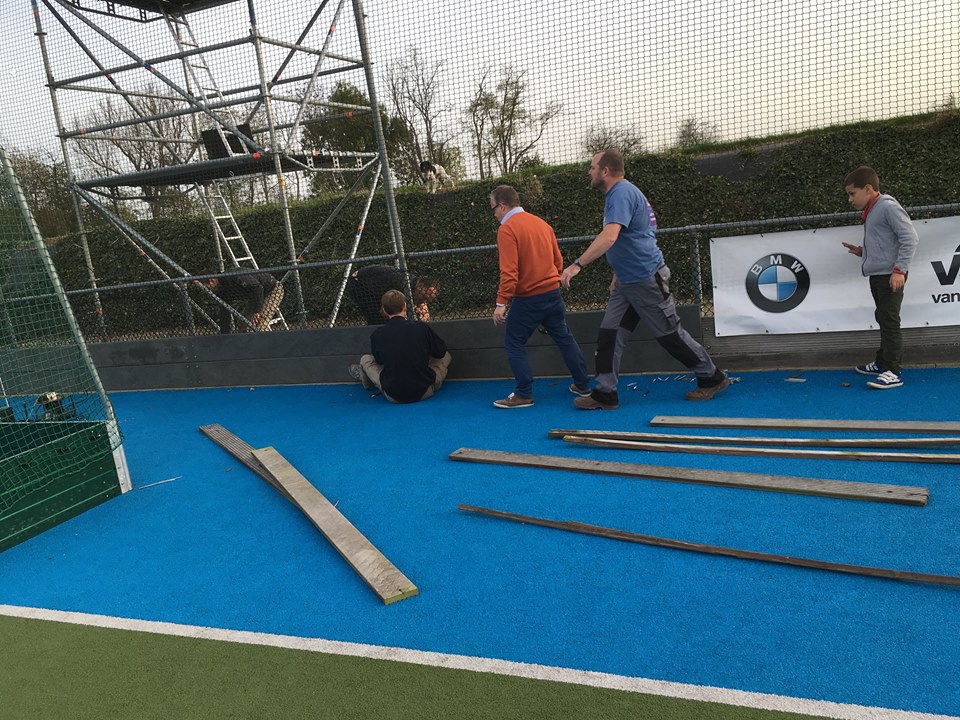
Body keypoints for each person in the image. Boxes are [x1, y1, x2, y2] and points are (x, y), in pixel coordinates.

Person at [560, 149, 730, 409]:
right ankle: (605, 393)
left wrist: (576, 265)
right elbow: (637, 234)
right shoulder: (622, 194)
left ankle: (711, 377)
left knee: (670, 335)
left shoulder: (621, 194)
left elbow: (610, 237)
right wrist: (618, 272)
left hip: (646, 279)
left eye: (593, 167)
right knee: (610, 334)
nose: (589, 171)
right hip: (628, 282)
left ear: (605, 171)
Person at [489, 184, 591, 408]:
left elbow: (509, 271)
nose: (494, 214)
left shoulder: (507, 229)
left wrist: (501, 303)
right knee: (564, 338)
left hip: (528, 298)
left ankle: (523, 394)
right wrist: (551, 280)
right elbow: (558, 260)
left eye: (494, 209)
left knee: (513, 341)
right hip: (552, 294)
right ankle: (582, 385)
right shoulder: (542, 224)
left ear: (503, 206)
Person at [841, 166, 918, 389]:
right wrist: (863, 252)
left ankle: (893, 371)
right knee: (883, 318)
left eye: (852, 193)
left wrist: (899, 270)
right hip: (879, 274)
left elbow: (909, 238)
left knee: (889, 321)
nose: (850, 199)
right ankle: (882, 362)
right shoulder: (874, 209)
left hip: (889, 276)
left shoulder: (887, 207)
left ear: (868, 189)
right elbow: (886, 244)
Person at [348, 289, 452, 403]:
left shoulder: (378, 334)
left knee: (366, 359)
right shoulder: (421, 327)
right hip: (425, 390)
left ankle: (367, 379)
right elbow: (440, 351)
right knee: (445, 356)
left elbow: (379, 361)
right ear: (405, 306)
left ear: (384, 309)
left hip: (393, 394)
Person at [345, 265, 438, 324]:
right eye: (425, 297)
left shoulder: (412, 287)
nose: (425, 301)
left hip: (373, 284)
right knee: (378, 317)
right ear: (420, 286)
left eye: (428, 299)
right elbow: (386, 307)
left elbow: (422, 312)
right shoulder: (402, 284)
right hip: (359, 283)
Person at [202, 266, 283, 333]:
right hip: (255, 296)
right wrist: (225, 335)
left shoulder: (233, 277)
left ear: (212, 281)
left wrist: (257, 312)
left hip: (271, 290)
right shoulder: (221, 291)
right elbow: (224, 312)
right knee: (242, 324)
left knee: (258, 324)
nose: (208, 291)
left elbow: (257, 288)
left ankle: (260, 347)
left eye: (207, 287)